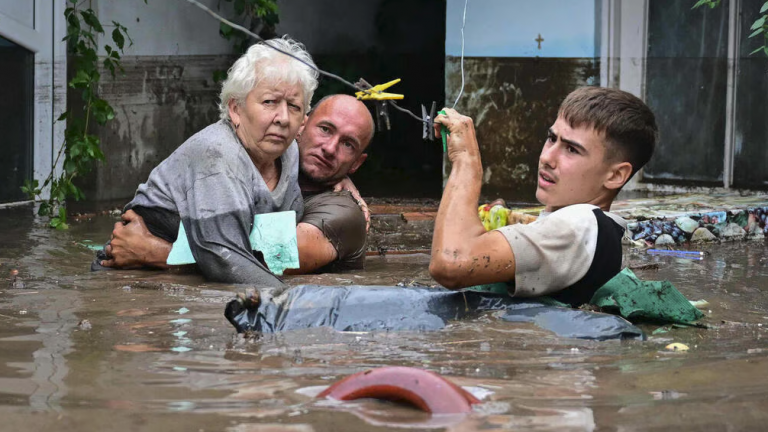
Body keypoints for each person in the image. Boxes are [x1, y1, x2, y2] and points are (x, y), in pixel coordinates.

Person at [95, 37, 319, 286]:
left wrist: (344, 180)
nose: (283, 118)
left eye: (294, 106)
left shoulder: (289, 153)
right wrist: (297, 304)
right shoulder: (217, 153)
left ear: (303, 121)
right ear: (235, 108)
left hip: (179, 271)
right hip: (133, 282)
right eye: (269, 102)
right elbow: (225, 259)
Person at [429, 86, 658, 307]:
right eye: (551, 138)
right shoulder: (599, 230)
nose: (547, 157)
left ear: (616, 175)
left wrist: (466, 160)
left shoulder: (579, 223)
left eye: (572, 149)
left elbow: (451, 262)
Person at [99, 94, 374, 275]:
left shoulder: (344, 213)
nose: (329, 148)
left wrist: (155, 253)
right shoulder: (253, 163)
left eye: (347, 145)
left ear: (357, 163)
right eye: (325, 129)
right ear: (300, 126)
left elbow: (269, 260)